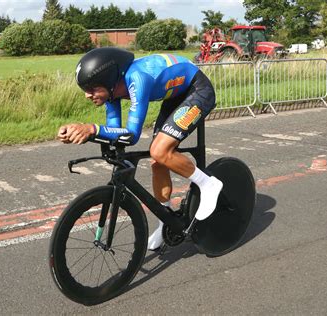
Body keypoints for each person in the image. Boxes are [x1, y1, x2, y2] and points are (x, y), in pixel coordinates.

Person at [57, 47, 223, 250]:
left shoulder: (138, 79)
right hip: (176, 96)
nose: (87, 95)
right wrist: (84, 133)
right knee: (158, 163)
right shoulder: (112, 91)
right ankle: (166, 221)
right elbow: (117, 131)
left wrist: (92, 129)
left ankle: (208, 185)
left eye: (92, 89)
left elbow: (132, 135)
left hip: (197, 90)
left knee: (160, 151)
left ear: (109, 81)